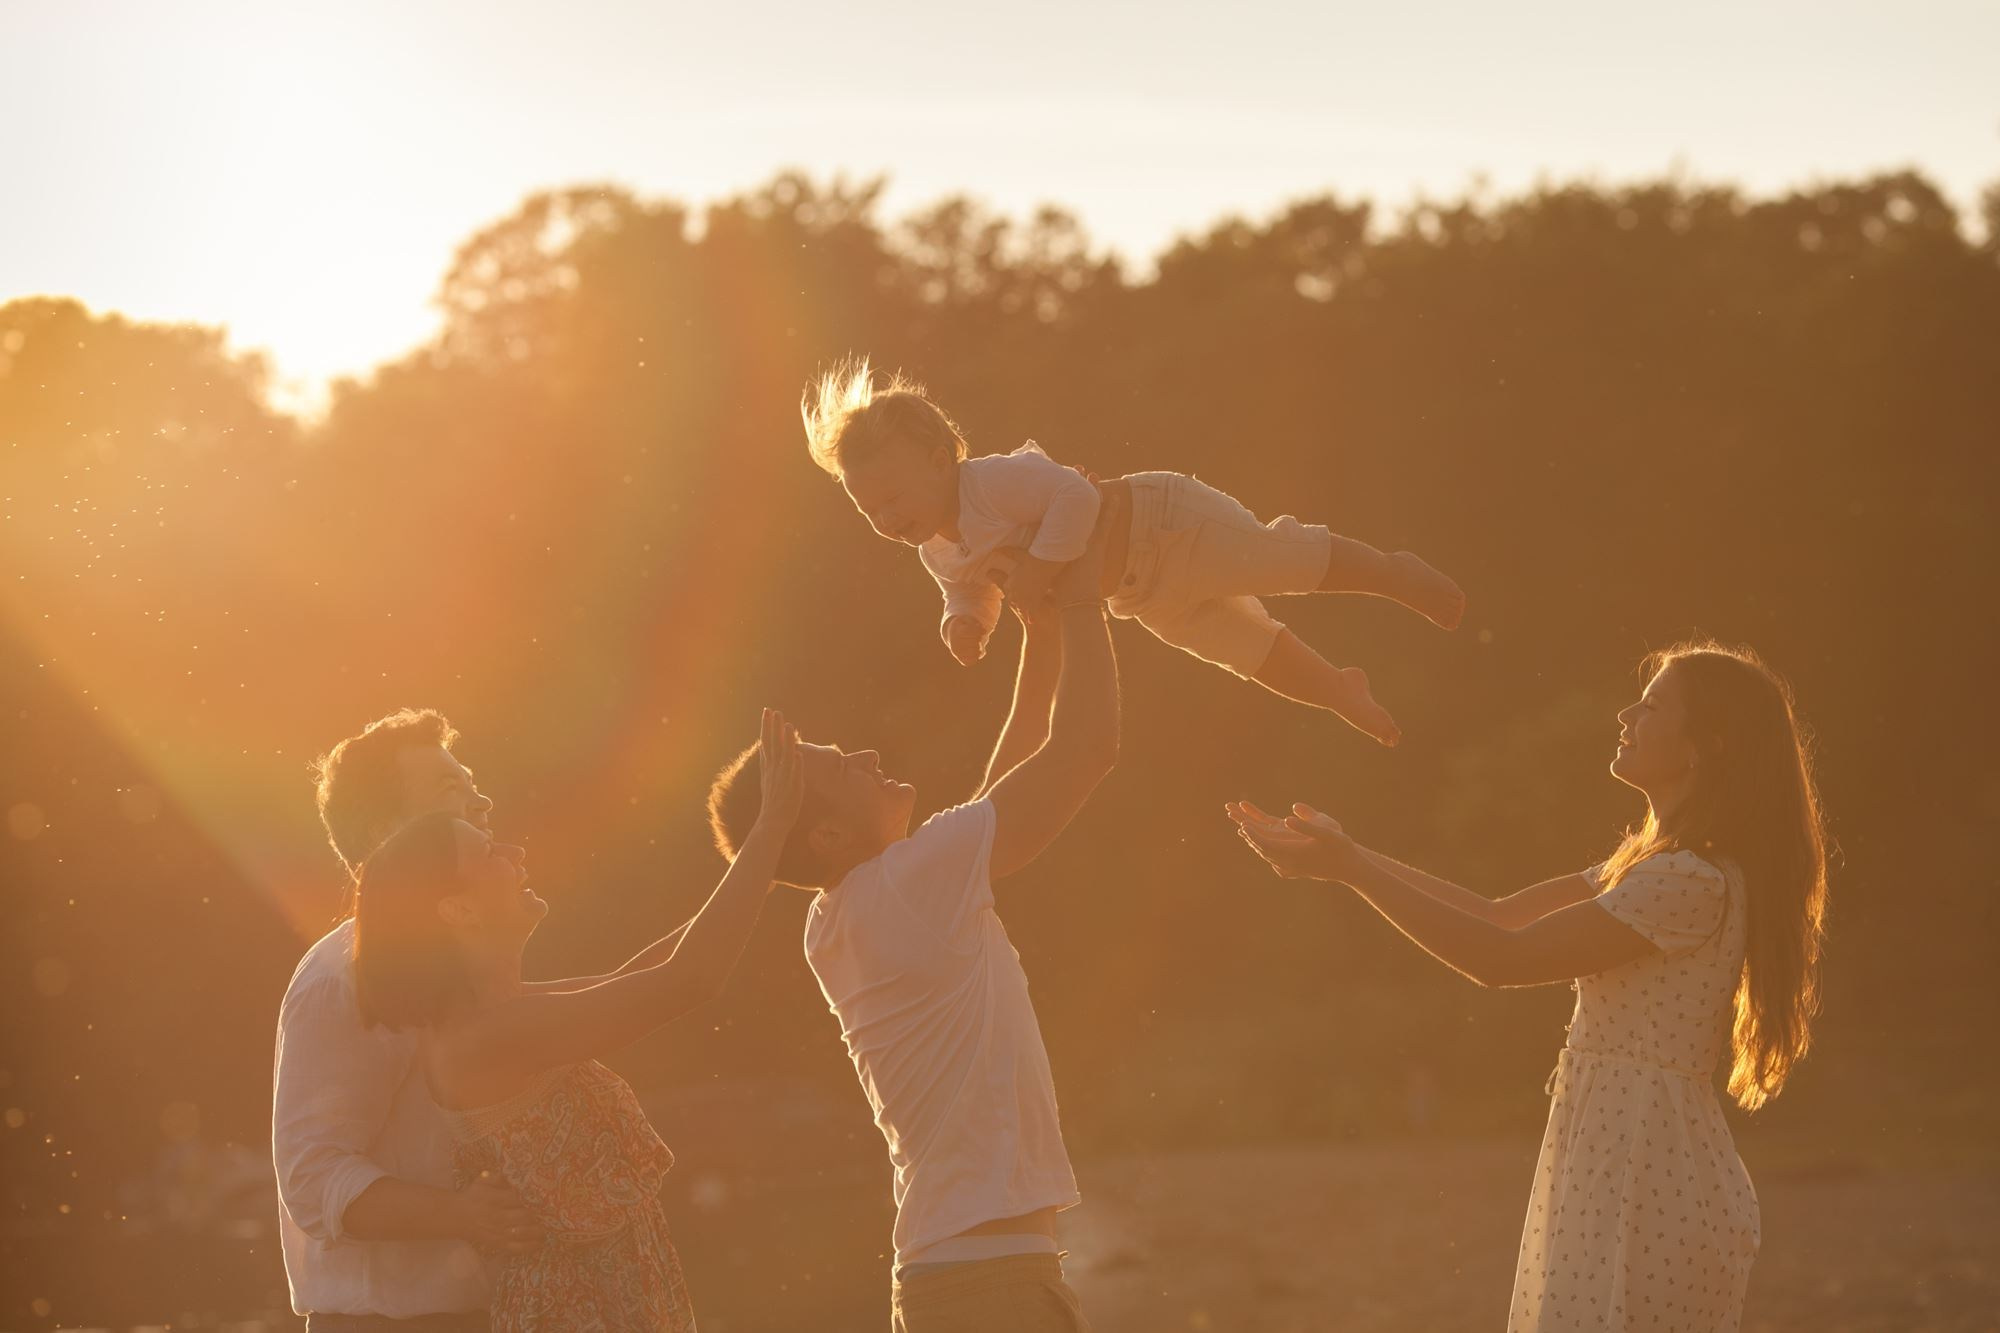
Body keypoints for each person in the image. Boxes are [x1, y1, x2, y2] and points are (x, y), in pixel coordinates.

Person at [1227, 641, 1831, 1332]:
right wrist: (1350, 859)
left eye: (1655, 703)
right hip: (1616, 1151)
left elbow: (1498, 956)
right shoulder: (1646, 865)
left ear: (1708, 742)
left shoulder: (1688, 879)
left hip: (1649, 1171)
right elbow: (1494, 913)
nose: (1627, 711)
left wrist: (1354, 871)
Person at [704, 538, 1119, 1330]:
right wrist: (1081, 597)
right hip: (990, 1288)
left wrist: (1042, 636)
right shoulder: (909, 884)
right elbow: (1086, 751)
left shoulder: (840, 915)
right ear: (823, 835)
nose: (865, 753)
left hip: (955, 1278)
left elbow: (1008, 782)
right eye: (842, 768)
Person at [351, 708, 804, 1331]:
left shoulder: (496, 1016)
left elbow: (640, 976)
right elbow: (688, 982)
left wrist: (765, 869)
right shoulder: (487, 1037)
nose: (512, 850)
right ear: (458, 909)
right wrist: (770, 829)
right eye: (488, 853)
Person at [801, 355, 1464, 746]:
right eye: (871, 510)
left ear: (941, 458)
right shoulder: (937, 552)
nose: (887, 518)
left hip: (1166, 524)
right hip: (1142, 595)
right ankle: (1337, 689)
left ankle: (1392, 574)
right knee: (1246, 650)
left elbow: (1077, 497)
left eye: (894, 496)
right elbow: (969, 586)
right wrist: (966, 622)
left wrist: (1037, 567)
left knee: (1281, 560)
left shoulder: (994, 481)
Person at [274, 708, 542, 1331]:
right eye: (451, 789)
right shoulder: (340, 977)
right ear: (387, 831)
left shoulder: (474, 958)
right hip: (389, 1321)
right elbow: (313, 1177)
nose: (482, 802)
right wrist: (464, 1216)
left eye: (472, 783)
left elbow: (650, 991)